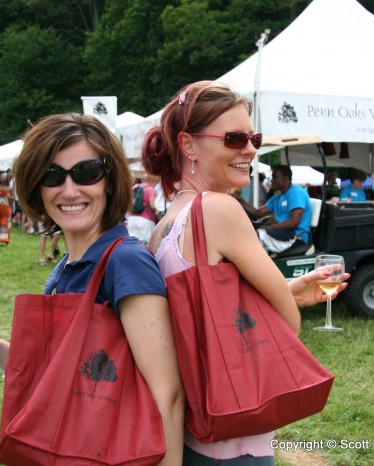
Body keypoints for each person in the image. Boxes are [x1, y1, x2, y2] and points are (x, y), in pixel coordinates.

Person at [0, 113, 185, 465]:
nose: (70, 190)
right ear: (37, 187)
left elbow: (168, 396)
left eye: (86, 172)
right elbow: (58, 374)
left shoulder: (125, 262)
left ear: (109, 181)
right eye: (53, 176)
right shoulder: (64, 268)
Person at [143, 80, 348, 465]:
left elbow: (202, 310)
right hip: (235, 439)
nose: (251, 148)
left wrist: (289, 289)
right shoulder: (217, 209)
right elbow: (287, 325)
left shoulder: (163, 227)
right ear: (188, 145)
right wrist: (289, 300)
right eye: (235, 137)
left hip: (191, 433)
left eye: (253, 136)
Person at [236, 165, 313, 254]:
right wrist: (240, 200)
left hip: (297, 236)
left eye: (275, 177)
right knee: (248, 227)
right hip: (284, 232)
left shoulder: (296, 193)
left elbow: (293, 222)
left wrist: (269, 228)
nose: (271, 180)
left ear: (285, 179)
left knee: (257, 234)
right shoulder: (277, 197)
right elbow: (258, 213)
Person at [126, 175, 157, 244]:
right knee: (146, 244)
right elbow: (152, 205)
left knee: (132, 243)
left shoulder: (134, 188)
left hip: (132, 219)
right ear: (153, 180)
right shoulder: (150, 189)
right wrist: (158, 213)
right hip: (146, 220)